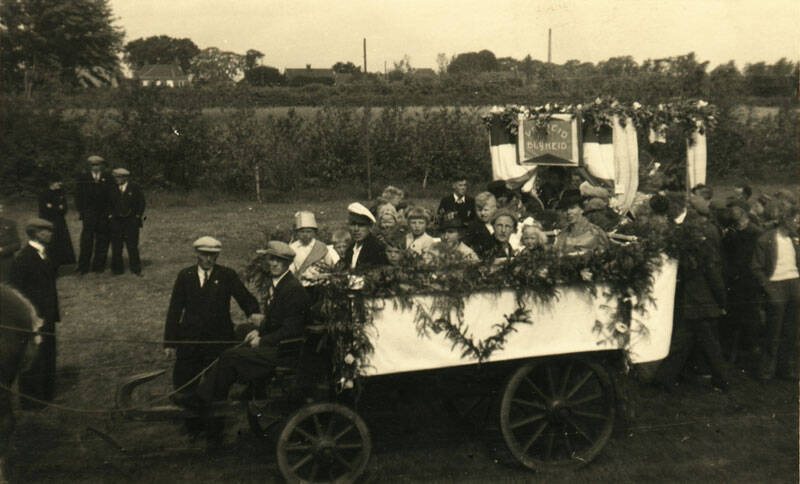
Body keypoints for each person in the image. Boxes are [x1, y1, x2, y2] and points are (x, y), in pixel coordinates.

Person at [178, 241, 310, 407]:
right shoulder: (279, 284)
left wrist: (262, 341)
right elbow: (274, 321)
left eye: (280, 260)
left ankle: (204, 399)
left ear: (288, 263)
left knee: (230, 355)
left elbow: (292, 329)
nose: (274, 263)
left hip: (285, 353)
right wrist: (259, 332)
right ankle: (219, 394)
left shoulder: (293, 290)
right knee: (240, 336)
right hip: (278, 346)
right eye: (272, 259)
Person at [164, 237, 262, 396]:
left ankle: (216, 420)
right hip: (190, 341)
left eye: (212, 255)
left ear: (217, 256)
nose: (208, 259)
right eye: (204, 254)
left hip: (218, 341)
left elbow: (245, 298)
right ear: (197, 253)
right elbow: (174, 310)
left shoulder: (226, 275)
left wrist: (253, 313)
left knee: (217, 387)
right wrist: (169, 342)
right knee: (184, 384)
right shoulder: (185, 276)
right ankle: (189, 418)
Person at [9, 218, 60, 408]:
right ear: (35, 233)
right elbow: (18, 293)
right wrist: (29, 318)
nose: (50, 234)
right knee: (34, 358)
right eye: (46, 231)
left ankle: (46, 394)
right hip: (34, 318)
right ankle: (32, 401)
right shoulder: (24, 259)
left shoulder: (44, 254)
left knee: (47, 354)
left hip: (47, 315)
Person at [751, 201, 800, 380]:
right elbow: (756, 268)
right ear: (784, 220)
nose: (798, 223)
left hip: (794, 284)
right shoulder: (766, 239)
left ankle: (786, 369)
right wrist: (768, 287)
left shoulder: (795, 240)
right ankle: (766, 371)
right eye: (795, 220)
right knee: (774, 330)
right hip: (776, 285)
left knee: (792, 331)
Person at [721, 199, 763, 366]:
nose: (731, 212)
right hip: (733, 280)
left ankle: (751, 350)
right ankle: (732, 351)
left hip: (749, 281)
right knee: (733, 316)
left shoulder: (755, 233)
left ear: (743, 211)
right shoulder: (731, 232)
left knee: (750, 315)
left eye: (734, 209)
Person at [75, 155, 112, 274]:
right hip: (89, 214)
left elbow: (112, 196)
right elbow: (78, 196)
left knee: (102, 240)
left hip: (103, 215)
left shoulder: (108, 178)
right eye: (93, 165)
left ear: (102, 166)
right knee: (86, 241)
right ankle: (83, 267)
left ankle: (99, 266)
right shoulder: (83, 178)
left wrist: (109, 212)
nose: (95, 167)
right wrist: (82, 211)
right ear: (89, 166)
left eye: (98, 164)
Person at [108, 168, 145, 275]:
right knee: (116, 246)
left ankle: (135, 269)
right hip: (116, 221)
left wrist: (137, 216)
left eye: (118, 177)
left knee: (132, 246)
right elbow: (107, 202)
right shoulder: (112, 188)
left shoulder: (134, 188)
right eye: (115, 177)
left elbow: (141, 202)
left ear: (125, 177)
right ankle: (117, 270)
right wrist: (110, 215)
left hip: (131, 222)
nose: (116, 179)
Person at [289, 211, 339, 286]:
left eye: (308, 232)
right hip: (299, 284)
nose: (305, 235)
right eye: (302, 232)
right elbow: (290, 268)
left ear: (314, 233)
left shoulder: (321, 246)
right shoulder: (292, 247)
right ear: (297, 233)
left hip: (318, 284)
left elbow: (330, 266)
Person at [38, 174, 76, 271]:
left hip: (60, 222)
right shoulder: (44, 194)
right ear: (51, 183)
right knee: (51, 241)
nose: (60, 184)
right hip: (48, 221)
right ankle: (50, 264)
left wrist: (53, 207)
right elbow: (45, 209)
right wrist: (57, 208)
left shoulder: (60, 193)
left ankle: (63, 263)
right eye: (57, 182)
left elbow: (64, 209)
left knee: (61, 241)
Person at [344, 203, 388, 269]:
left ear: (369, 227)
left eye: (361, 225)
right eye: (353, 224)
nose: (356, 229)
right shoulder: (350, 248)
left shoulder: (376, 248)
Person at [464, 192, 497, 260]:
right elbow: (464, 246)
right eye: (479, 210)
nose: (482, 213)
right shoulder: (474, 227)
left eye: (486, 210)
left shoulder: (497, 223)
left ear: (494, 209)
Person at [0, 205, 21, 283]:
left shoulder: (10, 224)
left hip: (6, 263)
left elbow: (17, 244)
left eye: (1, 208)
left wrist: (2, 250)